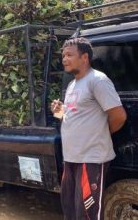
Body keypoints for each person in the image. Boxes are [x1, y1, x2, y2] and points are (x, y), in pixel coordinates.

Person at [51, 37, 127, 220]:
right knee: (70, 209)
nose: (64, 59)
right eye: (63, 55)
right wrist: (59, 112)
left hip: (91, 158)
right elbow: (72, 118)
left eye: (69, 55)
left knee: (87, 213)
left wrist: (99, 134)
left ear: (84, 57)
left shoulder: (98, 80)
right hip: (71, 157)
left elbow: (119, 116)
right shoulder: (72, 85)